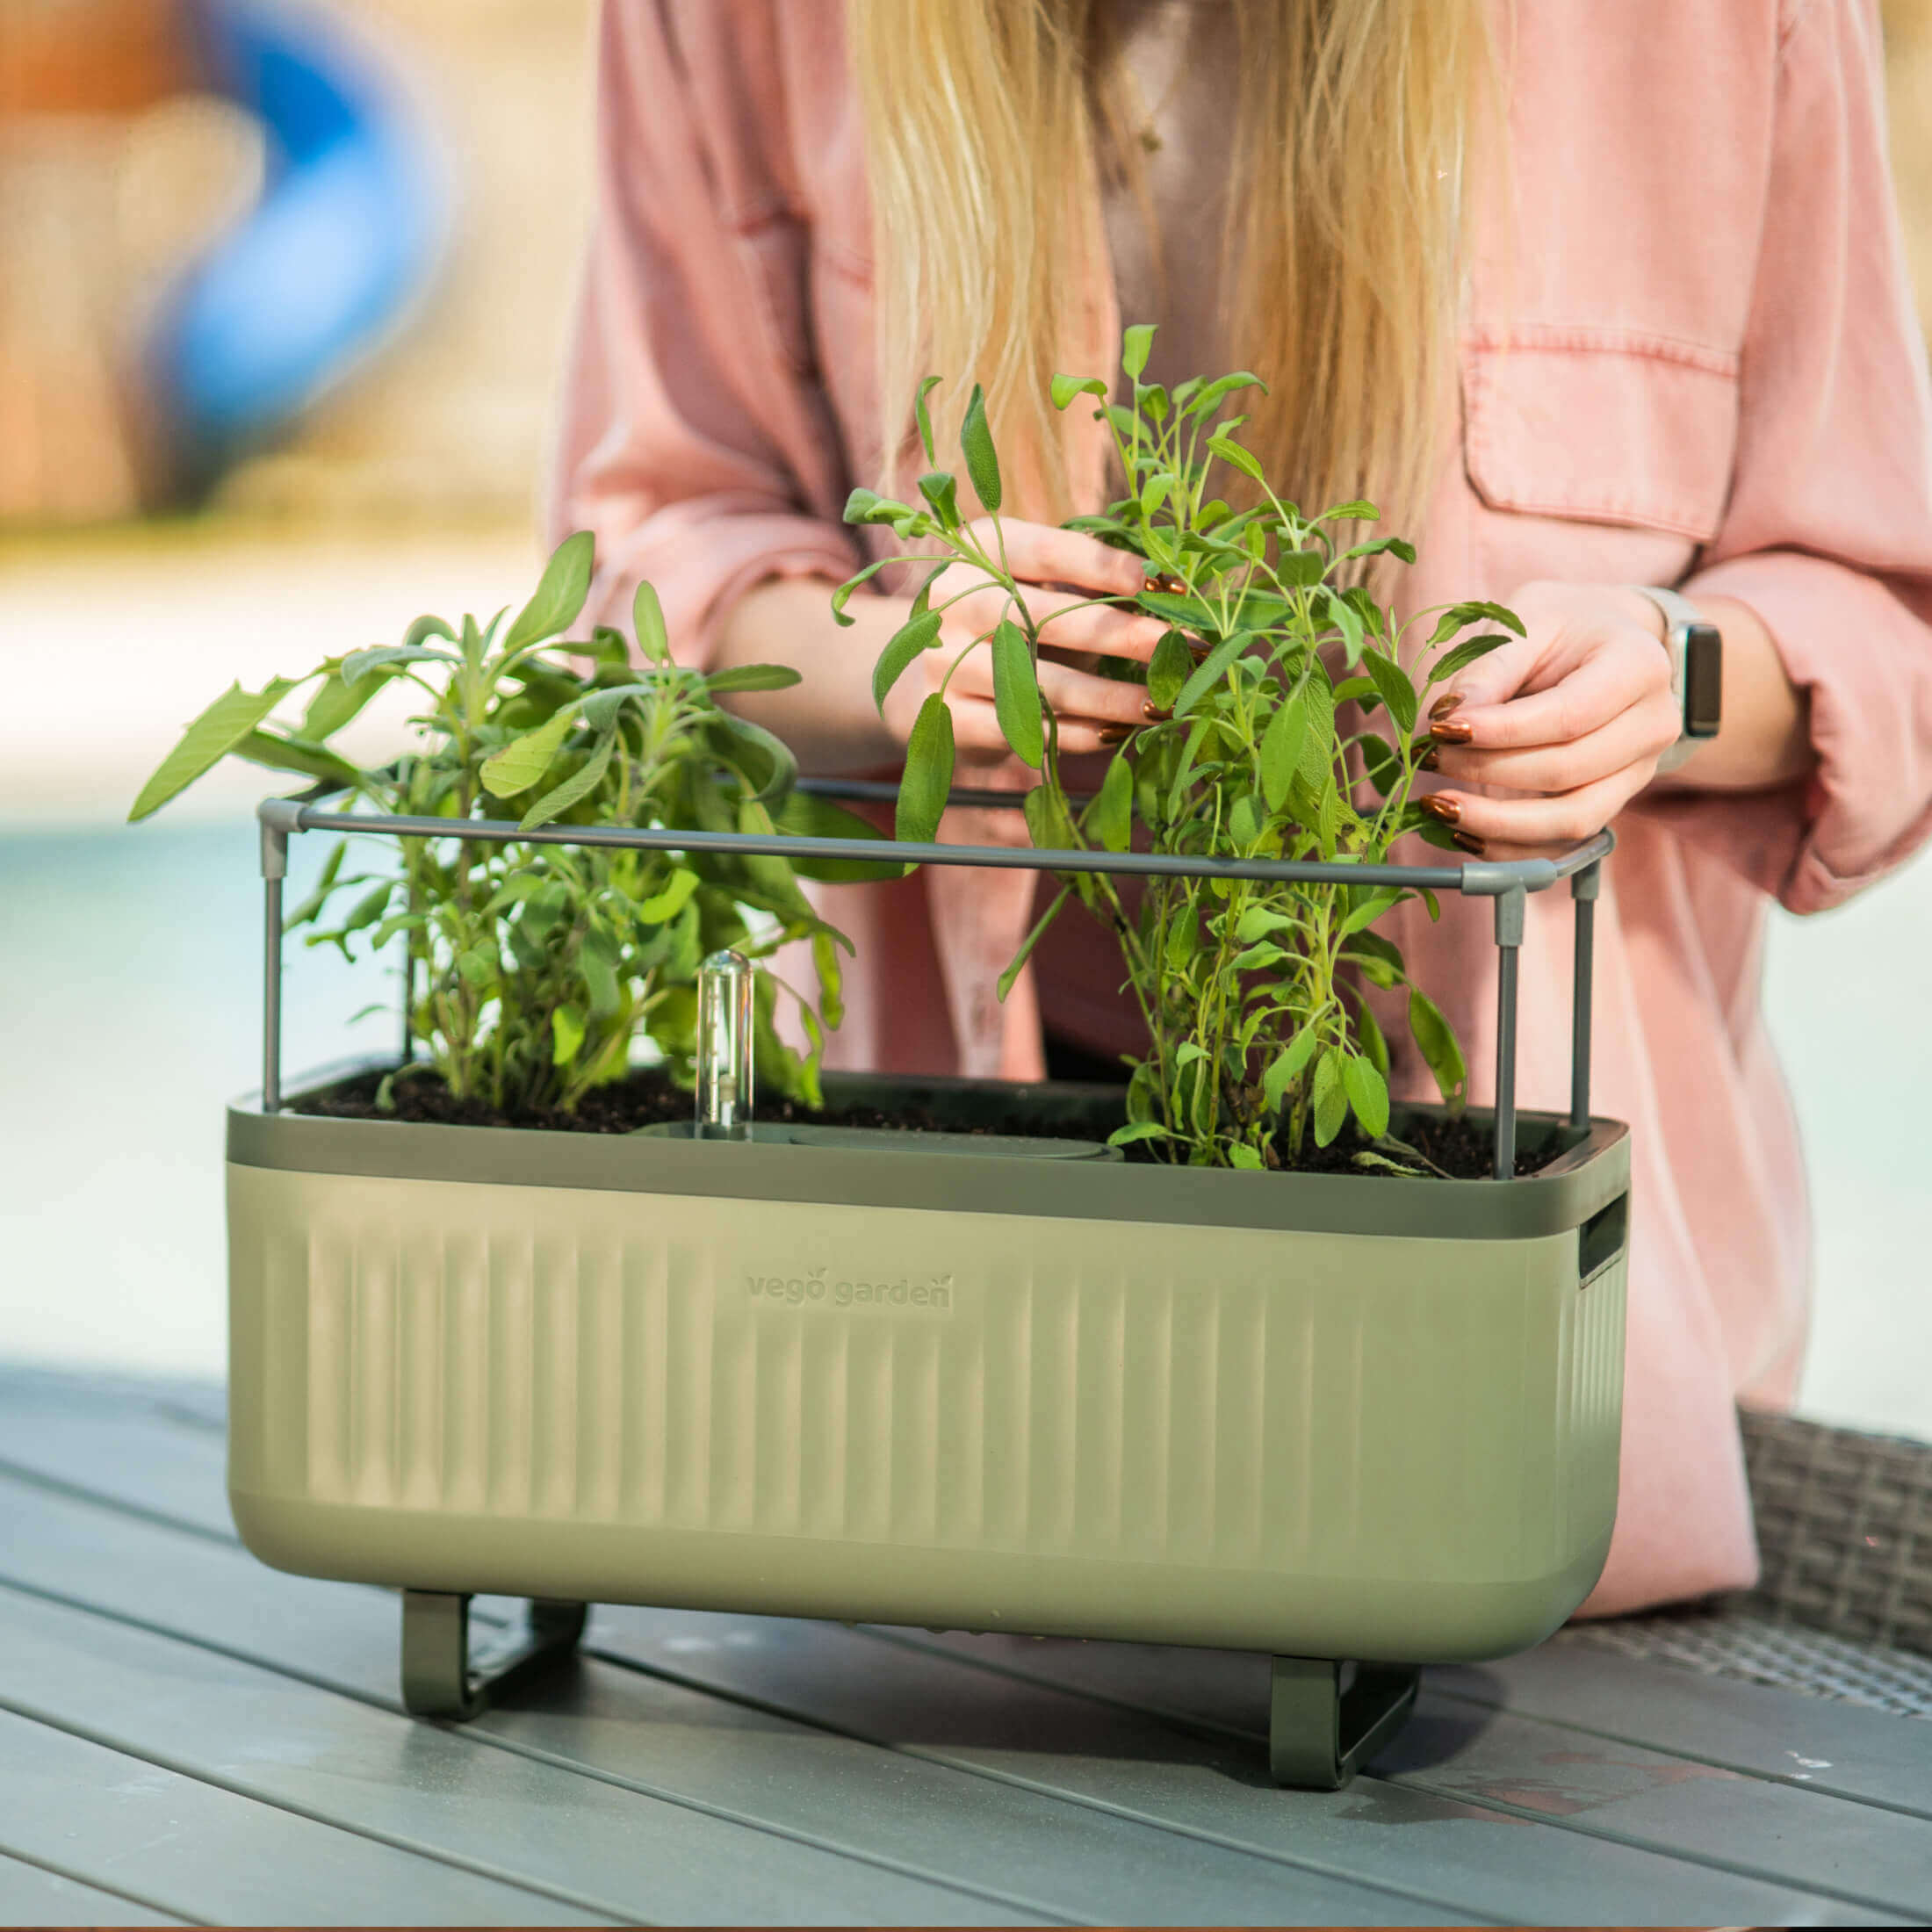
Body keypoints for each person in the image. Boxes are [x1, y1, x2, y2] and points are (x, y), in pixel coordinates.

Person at [550, 0, 1932, 1614]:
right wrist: (895, 648)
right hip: (942, 1264)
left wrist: (1677, 680)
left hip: (1512, 1303)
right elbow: (645, 570)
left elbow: (1879, 618)